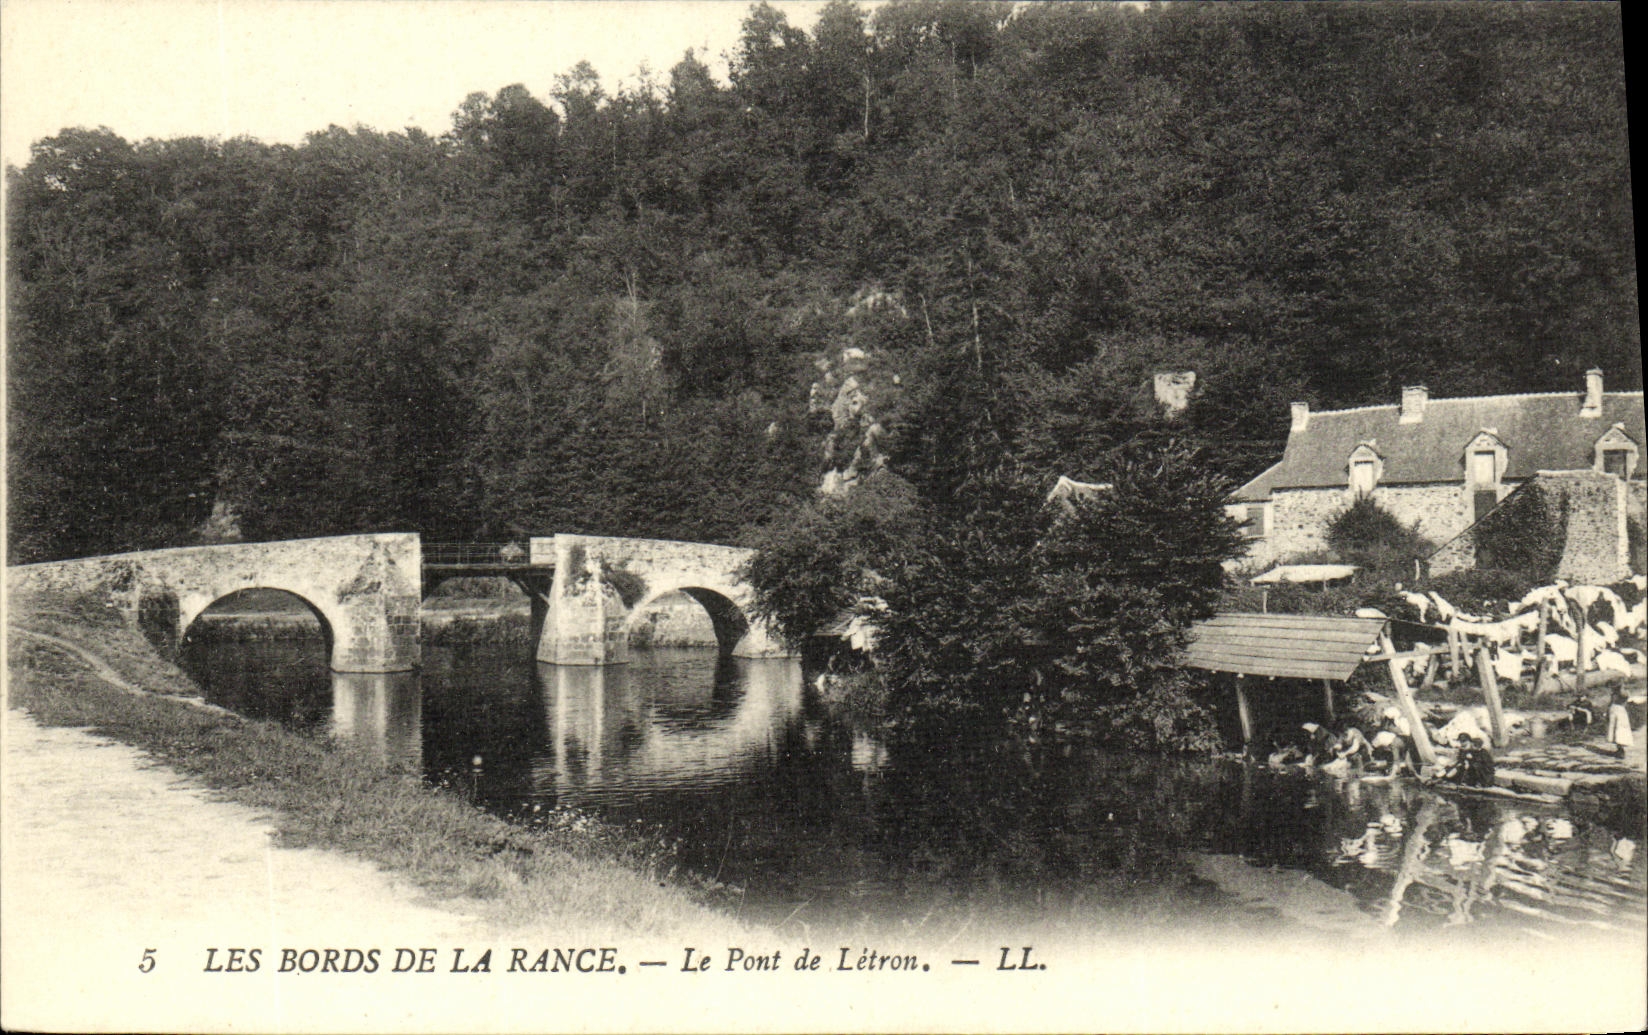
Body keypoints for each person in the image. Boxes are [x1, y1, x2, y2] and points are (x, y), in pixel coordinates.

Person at [1606, 687, 1634, 759]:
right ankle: (1619, 749)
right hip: (1617, 712)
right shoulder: (1618, 695)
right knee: (1616, 730)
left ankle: (1621, 750)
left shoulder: (1620, 695)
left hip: (1618, 712)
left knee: (1618, 730)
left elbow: (1624, 699)